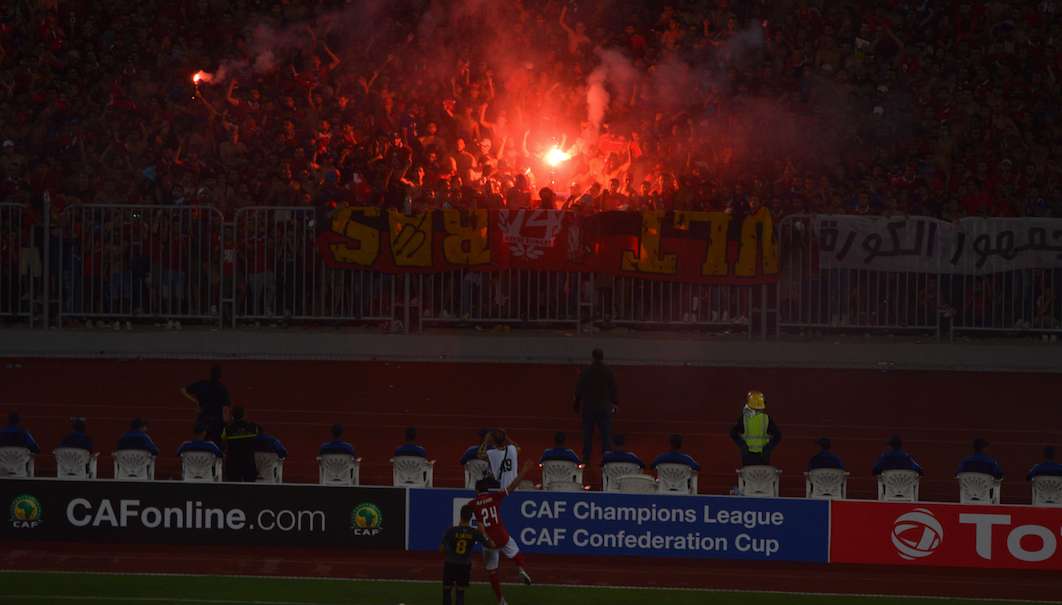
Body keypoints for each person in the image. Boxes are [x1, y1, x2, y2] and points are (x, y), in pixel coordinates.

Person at [471, 461, 536, 604]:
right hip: (502, 535)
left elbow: (473, 523)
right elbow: (512, 487)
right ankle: (520, 569)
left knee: (492, 572)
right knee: (515, 551)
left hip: (489, 542)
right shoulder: (495, 497)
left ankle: (501, 600)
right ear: (487, 490)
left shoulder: (472, 504)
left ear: (476, 491)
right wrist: (524, 471)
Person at [440, 504, 493, 605]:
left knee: (447, 591)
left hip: (450, 563)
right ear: (470, 518)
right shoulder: (474, 532)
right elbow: (491, 545)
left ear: (460, 516)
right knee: (460, 593)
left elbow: (441, 549)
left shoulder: (451, 530)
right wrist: (484, 532)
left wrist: (448, 546)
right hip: (464, 565)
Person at [574, 348, 617, 465]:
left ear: (593, 357)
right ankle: (607, 457)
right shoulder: (608, 371)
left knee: (587, 433)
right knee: (606, 433)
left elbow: (579, 388)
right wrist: (615, 403)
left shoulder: (586, 371)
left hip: (589, 406)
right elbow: (613, 389)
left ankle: (586, 457)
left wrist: (577, 403)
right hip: (604, 406)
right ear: (602, 357)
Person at [180, 366, 232, 444]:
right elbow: (225, 408)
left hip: (202, 419)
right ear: (220, 376)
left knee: (200, 443)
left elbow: (183, 390)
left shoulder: (201, 384)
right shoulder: (223, 389)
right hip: (216, 421)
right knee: (216, 445)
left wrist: (194, 400)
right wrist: (226, 423)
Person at [729, 391, 782, 465]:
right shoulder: (766, 419)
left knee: (748, 475)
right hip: (763, 456)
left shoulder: (744, 418)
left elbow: (733, 433)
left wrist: (742, 446)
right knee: (763, 475)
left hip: (748, 456)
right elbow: (778, 436)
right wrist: (768, 448)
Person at [220, 406, 260, 482]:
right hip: (249, 463)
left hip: (233, 464)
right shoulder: (253, 427)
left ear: (232, 416)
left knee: (234, 488)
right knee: (250, 487)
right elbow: (258, 442)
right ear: (244, 415)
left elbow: (223, 445)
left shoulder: (227, 429)